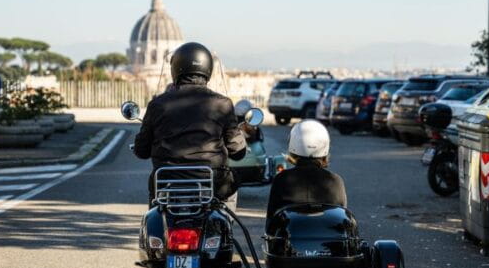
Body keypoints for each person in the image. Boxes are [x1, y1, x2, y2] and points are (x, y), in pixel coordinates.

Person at [133, 42, 247, 205]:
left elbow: (141, 151)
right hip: (212, 182)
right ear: (208, 68)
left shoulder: (157, 104)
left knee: (155, 208)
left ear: (175, 68)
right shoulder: (223, 104)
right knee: (233, 181)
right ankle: (226, 219)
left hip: (166, 181)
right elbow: (237, 152)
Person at [266, 119, 347, 222]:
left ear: (293, 144)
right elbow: (342, 217)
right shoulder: (335, 180)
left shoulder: (281, 179)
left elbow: (271, 220)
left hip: (291, 231)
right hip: (327, 231)